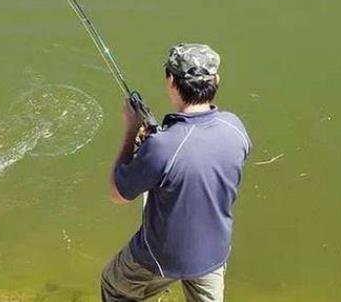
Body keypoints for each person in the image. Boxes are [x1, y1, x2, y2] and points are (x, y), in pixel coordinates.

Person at [101, 43, 251, 302]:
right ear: (216, 80)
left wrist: (131, 131)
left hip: (159, 257)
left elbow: (117, 194)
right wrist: (158, 143)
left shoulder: (162, 147)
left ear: (171, 81)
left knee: (114, 286)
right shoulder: (235, 128)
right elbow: (195, 161)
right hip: (213, 254)